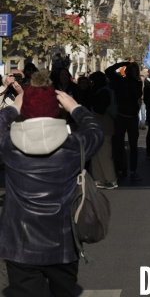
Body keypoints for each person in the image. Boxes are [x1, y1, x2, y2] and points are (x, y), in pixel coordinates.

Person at [0, 69, 103, 297]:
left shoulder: (8, 145)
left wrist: (12, 107)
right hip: (63, 242)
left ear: (26, 110)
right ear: (56, 110)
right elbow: (96, 132)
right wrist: (76, 108)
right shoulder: (74, 145)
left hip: (19, 244)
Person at [105, 61, 142, 181]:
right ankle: (121, 168)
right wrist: (122, 64)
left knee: (133, 146)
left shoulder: (137, 83)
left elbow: (137, 94)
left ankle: (133, 170)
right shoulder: (119, 81)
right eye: (129, 69)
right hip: (120, 116)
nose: (131, 71)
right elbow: (108, 71)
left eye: (134, 69)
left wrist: (130, 79)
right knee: (118, 145)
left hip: (132, 117)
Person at [89, 71, 118, 190]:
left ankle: (111, 180)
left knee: (104, 155)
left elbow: (99, 110)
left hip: (103, 127)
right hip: (99, 127)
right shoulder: (102, 90)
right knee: (96, 155)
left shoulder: (103, 92)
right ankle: (100, 179)